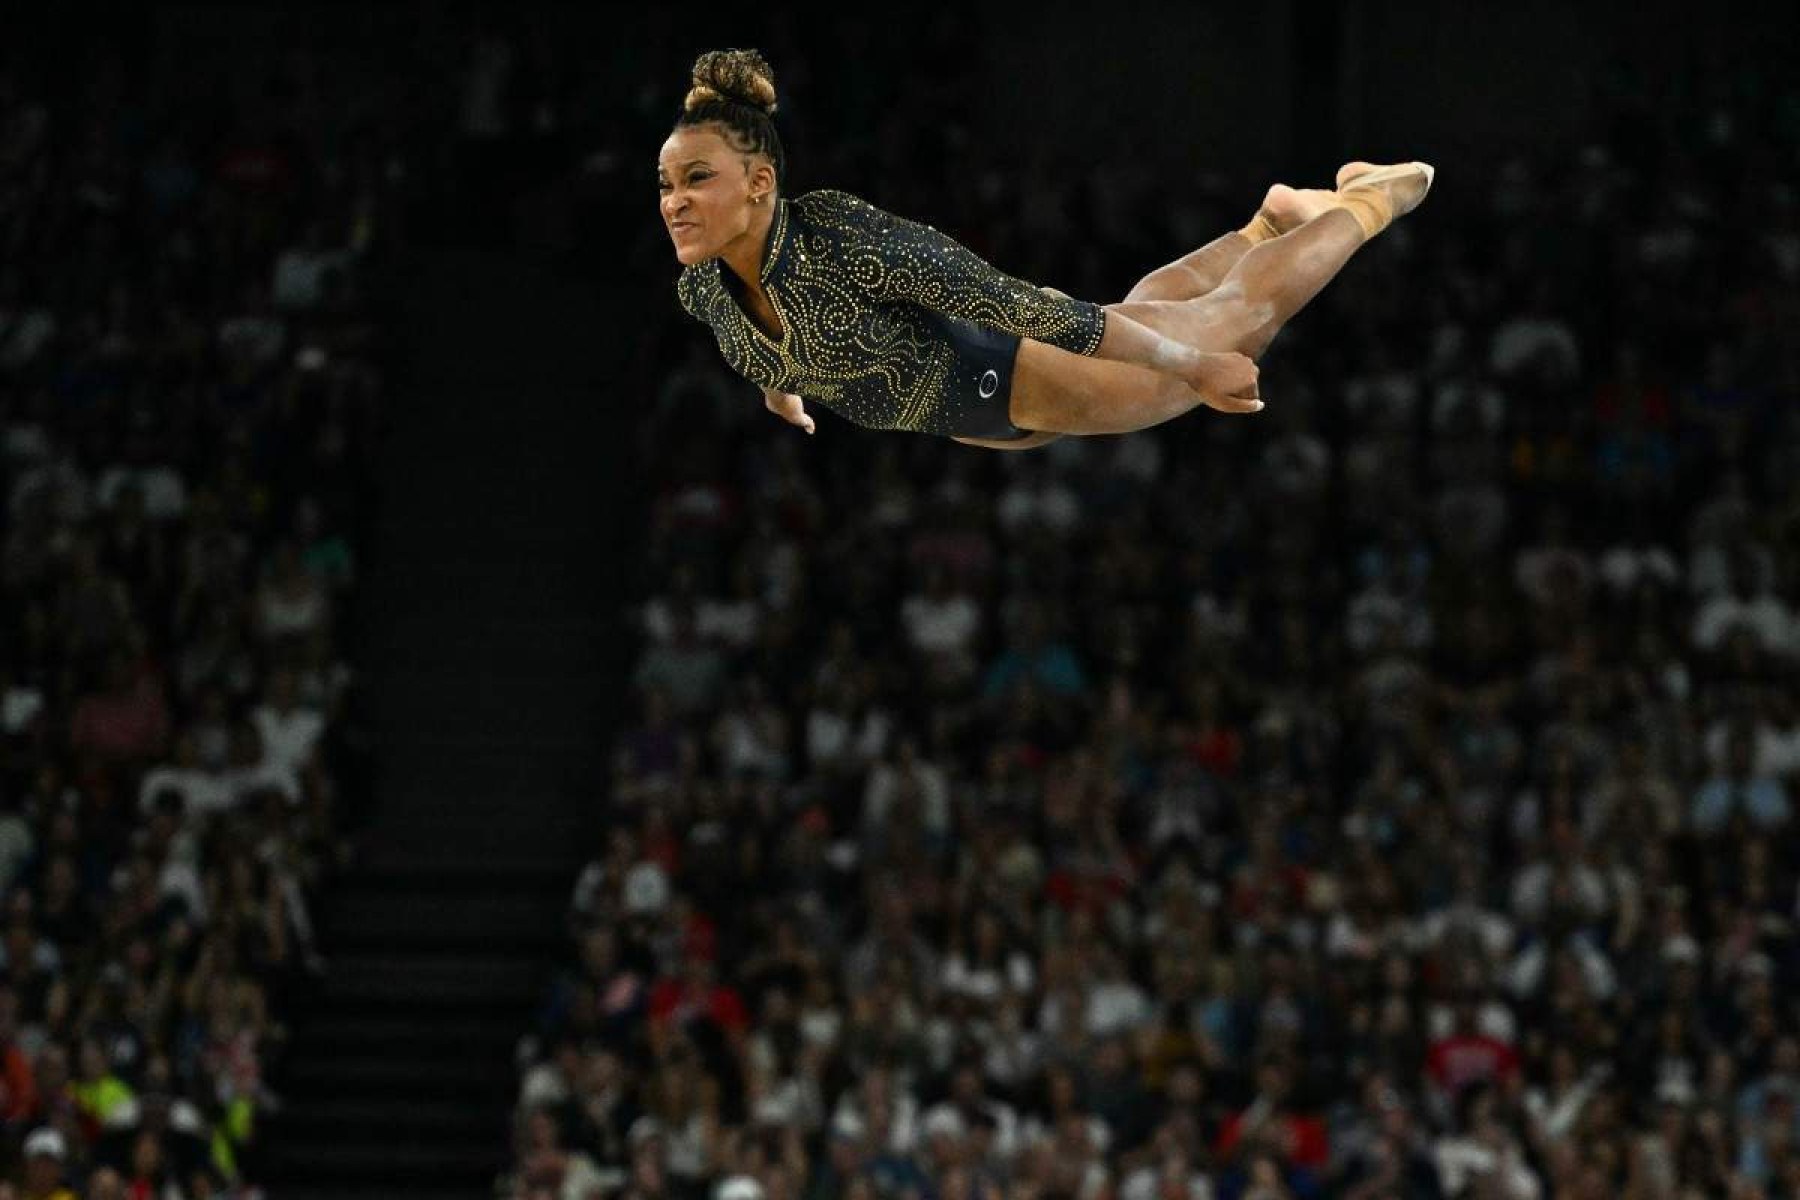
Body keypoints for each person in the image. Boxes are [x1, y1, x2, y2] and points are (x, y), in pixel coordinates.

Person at [660, 49, 1433, 450]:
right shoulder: (705, 290)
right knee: (1150, 311)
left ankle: (1375, 195)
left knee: (1239, 320)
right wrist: (782, 386)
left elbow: (1013, 303)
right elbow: (776, 346)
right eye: (665, 184)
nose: (675, 203)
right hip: (988, 417)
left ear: (761, 182)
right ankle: (1265, 226)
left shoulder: (841, 242)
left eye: (697, 179)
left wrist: (1195, 368)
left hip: (1017, 364)